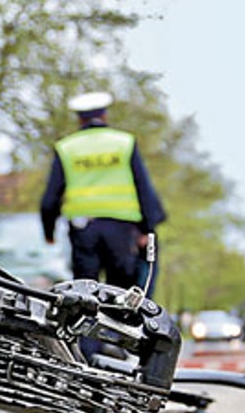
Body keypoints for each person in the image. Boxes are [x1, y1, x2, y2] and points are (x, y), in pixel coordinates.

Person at [39, 91, 166, 290]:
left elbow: (50, 198)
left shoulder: (67, 148)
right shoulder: (124, 143)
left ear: (79, 118)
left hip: (83, 229)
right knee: (120, 292)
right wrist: (148, 228)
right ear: (104, 115)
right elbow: (143, 187)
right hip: (122, 228)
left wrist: (49, 231)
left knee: (84, 290)